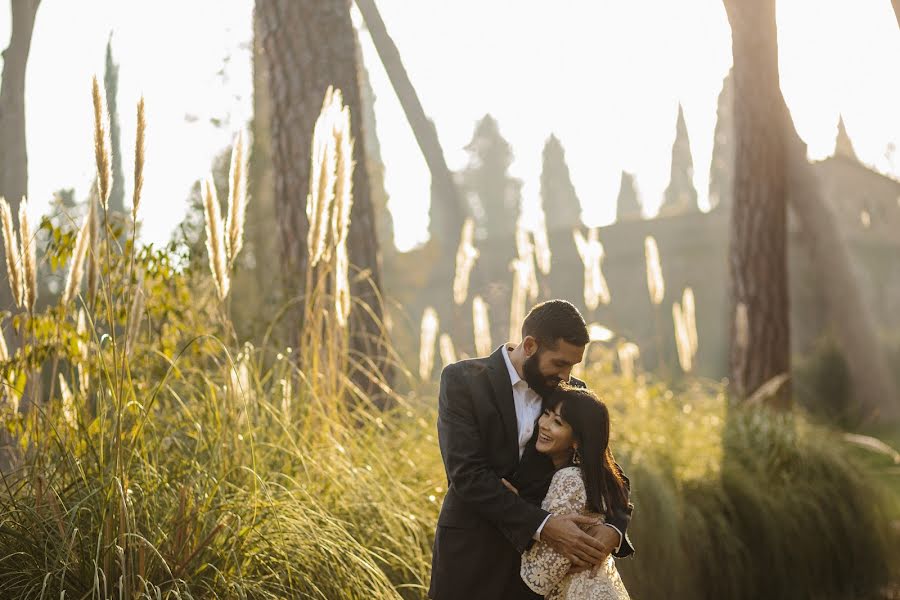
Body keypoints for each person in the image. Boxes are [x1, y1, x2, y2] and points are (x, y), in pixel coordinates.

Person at [429, 300, 634, 600]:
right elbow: (467, 476)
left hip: (540, 576)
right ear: (529, 345)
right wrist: (544, 525)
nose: (566, 376)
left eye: (572, 366)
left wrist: (613, 531)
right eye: (560, 363)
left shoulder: (570, 393)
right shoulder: (462, 381)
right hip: (469, 560)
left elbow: (607, 474)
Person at [520, 385, 632, 599]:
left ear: (577, 440)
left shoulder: (569, 479)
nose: (543, 425)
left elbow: (541, 575)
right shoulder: (590, 475)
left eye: (558, 423)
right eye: (546, 414)